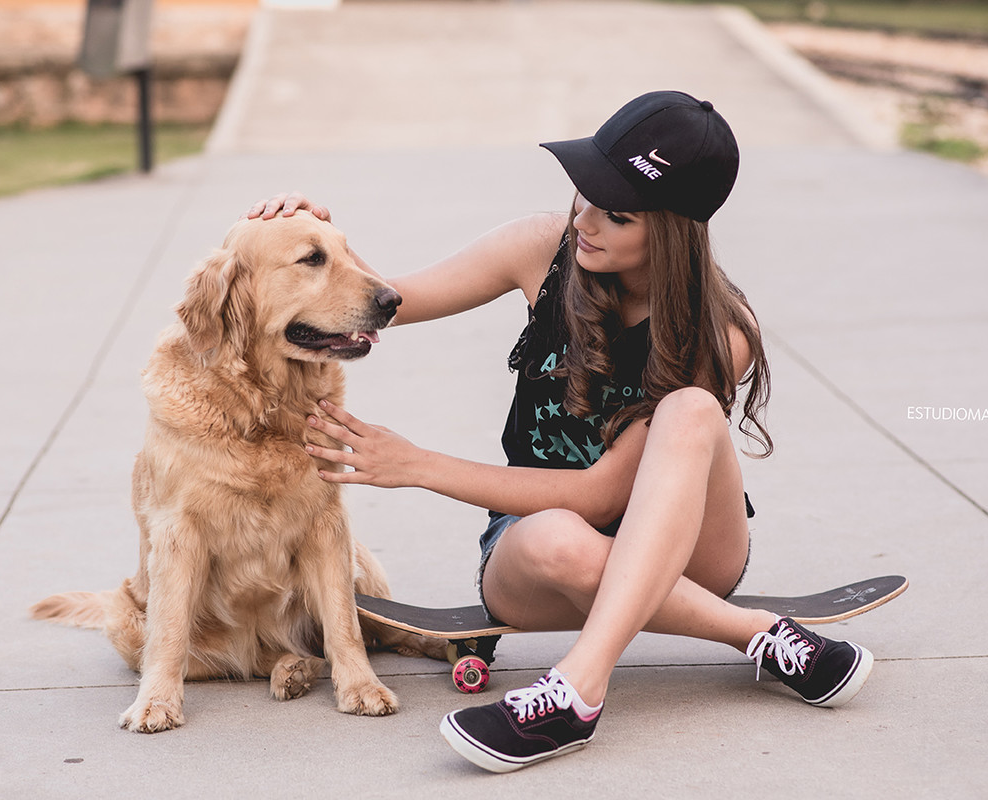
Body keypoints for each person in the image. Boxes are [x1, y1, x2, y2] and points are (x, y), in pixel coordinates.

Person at [247, 91, 873, 773]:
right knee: (553, 535)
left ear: (672, 230)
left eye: (618, 213)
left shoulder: (722, 329)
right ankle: (758, 634)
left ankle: (577, 688)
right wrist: (320, 238)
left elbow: (606, 496)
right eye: (585, 193)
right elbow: (392, 299)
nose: (587, 220)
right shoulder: (544, 247)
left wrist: (417, 464)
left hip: (694, 547)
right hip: (540, 555)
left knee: (689, 409)